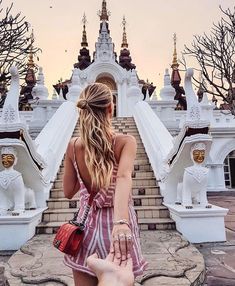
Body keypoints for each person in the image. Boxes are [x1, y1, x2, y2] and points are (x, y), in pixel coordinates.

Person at [63, 83, 147, 286]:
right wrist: (121, 224)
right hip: (117, 229)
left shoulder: (73, 146)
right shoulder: (125, 142)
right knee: (117, 281)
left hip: (86, 228)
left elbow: (68, 191)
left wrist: (85, 169)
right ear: (111, 108)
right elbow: (124, 177)